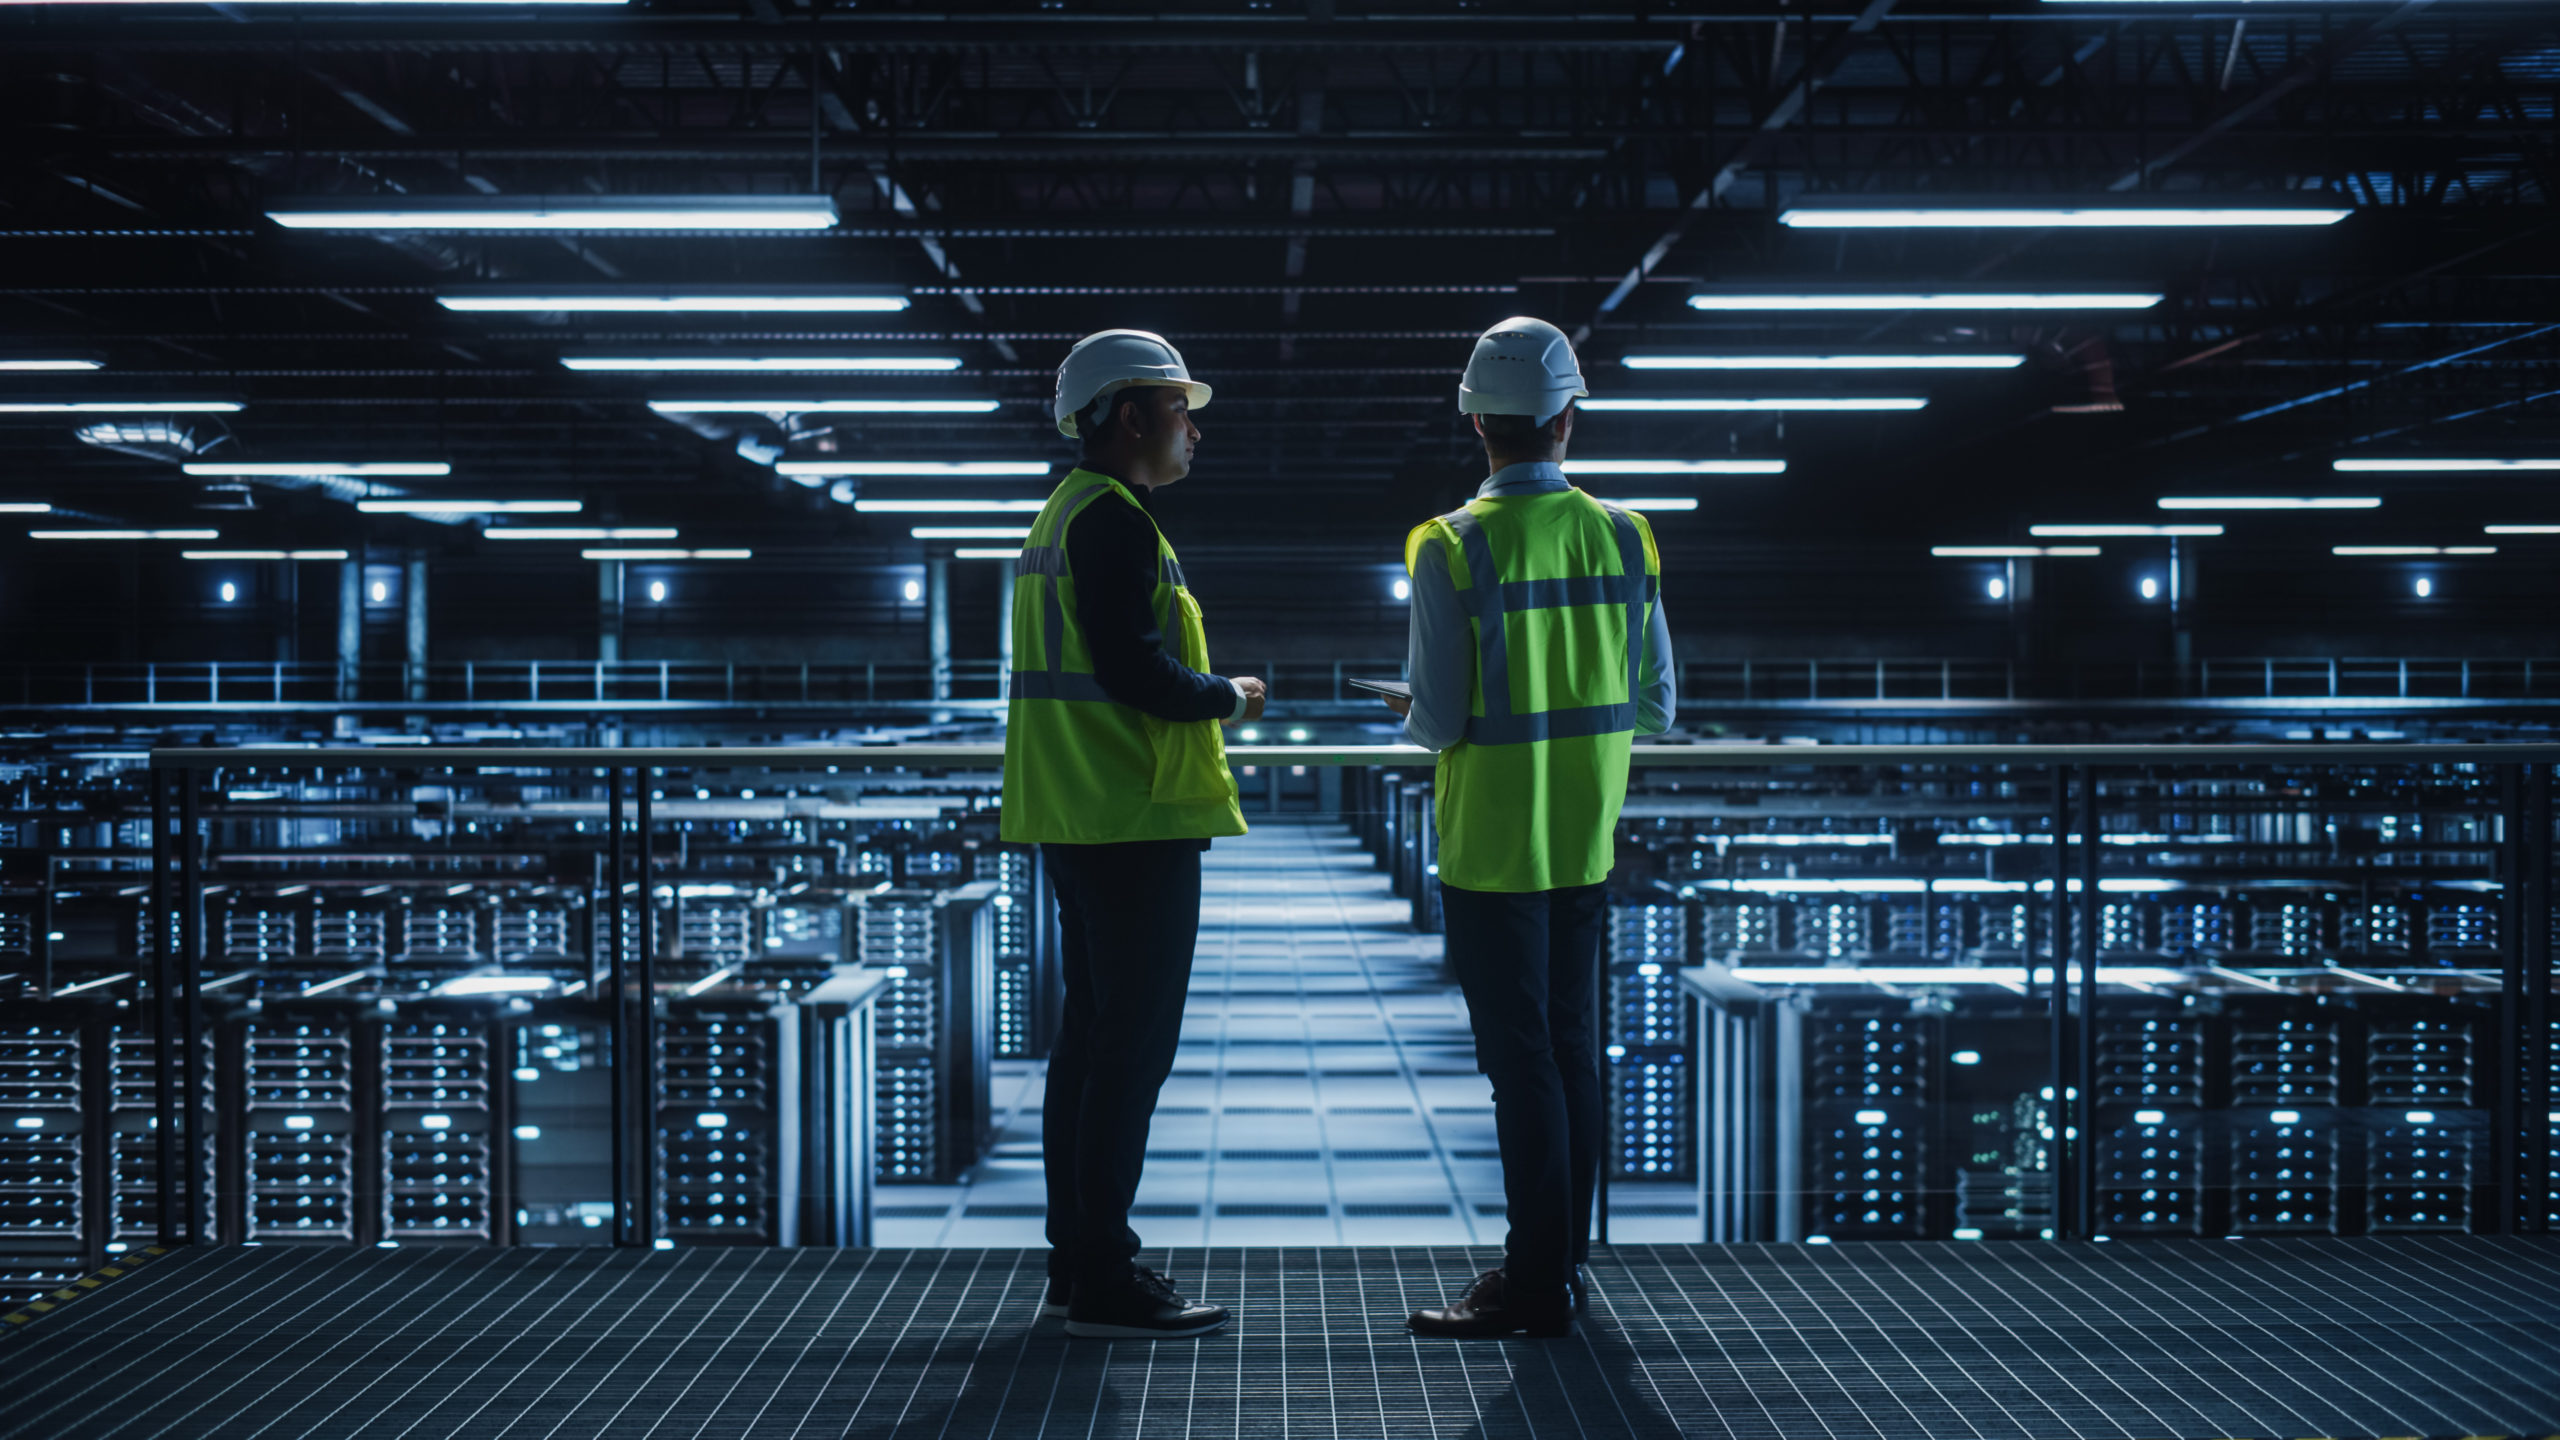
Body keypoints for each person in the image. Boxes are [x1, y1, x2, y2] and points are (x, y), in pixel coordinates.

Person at [1389, 317, 1676, 1338]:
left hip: (1490, 847)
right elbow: (1656, 706)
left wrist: (1409, 708)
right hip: (1585, 837)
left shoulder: (1447, 543)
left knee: (1522, 1069)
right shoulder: (1625, 533)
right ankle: (1559, 1269)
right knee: (1574, 1051)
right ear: (1567, 417)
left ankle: (1533, 1282)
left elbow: (1441, 717)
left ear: (1477, 419)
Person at [1000, 328, 1269, 1339]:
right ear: (1127, 415)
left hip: (1082, 815)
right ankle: (1106, 1274)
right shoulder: (1111, 522)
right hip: (1130, 819)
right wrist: (1229, 697)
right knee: (1127, 1056)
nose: (1191, 430)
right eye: (1178, 409)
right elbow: (1134, 672)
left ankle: (1077, 1263)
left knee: (1091, 1047)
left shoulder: (1065, 516)